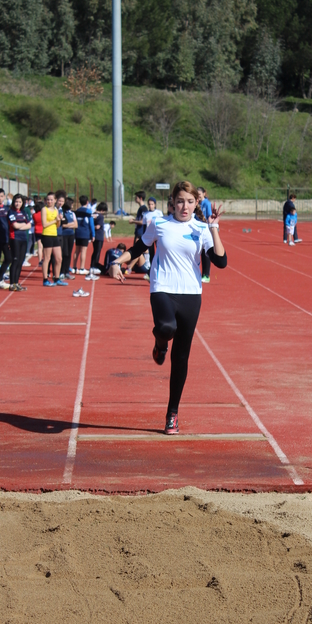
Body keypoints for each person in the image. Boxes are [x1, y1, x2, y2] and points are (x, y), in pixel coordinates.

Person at [111, 180, 227, 435]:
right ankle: (160, 343)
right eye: (180, 201)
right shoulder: (159, 224)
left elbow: (221, 261)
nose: (184, 206)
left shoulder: (201, 228)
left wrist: (214, 227)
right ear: (172, 202)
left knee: (181, 357)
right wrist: (118, 261)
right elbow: (139, 247)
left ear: (196, 203)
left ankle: (172, 412)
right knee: (165, 327)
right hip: (162, 288)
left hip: (191, 295)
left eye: (190, 201)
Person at [40, 192, 66, 286]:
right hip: (47, 235)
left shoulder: (56, 210)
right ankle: (45, 279)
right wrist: (55, 220)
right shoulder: (44, 209)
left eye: (51, 199)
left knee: (59, 258)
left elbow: (57, 226)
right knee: (47, 258)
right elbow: (44, 224)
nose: (49, 201)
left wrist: (58, 220)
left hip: (54, 235)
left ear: (55, 200)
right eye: (48, 199)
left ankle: (57, 278)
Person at [7, 194, 32, 291]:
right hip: (15, 238)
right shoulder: (11, 212)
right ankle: (12, 283)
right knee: (15, 260)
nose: (18, 204)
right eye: (16, 202)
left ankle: (17, 283)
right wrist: (22, 225)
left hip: (23, 239)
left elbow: (29, 225)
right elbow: (15, 226)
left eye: (20, 202)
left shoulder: (24, 212)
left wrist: (20, 225)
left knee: (20, 261)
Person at [74, 195, 95, 275]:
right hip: (85, 233)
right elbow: (91, 224)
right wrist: (93, 234)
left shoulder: (77, 211)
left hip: (77, 232)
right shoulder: (88, 211)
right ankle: (82, 268)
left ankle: (74, 267)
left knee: (76, 250)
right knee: (83, 251)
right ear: (87, 202)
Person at [86, 201, 107, 280]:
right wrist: (95, 227)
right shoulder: (100, 216)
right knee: (97, 251)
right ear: (102, 210)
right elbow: (98, 226)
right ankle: (94, 266)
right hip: (99, 236)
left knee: (95, 251)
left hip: (94, 236)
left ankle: (92, 265)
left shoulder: (93, 214)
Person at [59, 197, 77, 280]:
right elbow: (62, 225)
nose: (73, 205)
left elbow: (76, 225)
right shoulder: (62, 212)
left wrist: (68, 225)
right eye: (72, 204)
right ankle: (61, 272)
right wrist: (71, 224)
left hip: (71, 235)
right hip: (64, 235)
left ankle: (66, 272)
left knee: (69, 253)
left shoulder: (72, 213)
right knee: (64, 253)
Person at [197, 187, 213, 282]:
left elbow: (209, 217)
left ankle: (206, 275)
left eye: (200, 193)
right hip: (198, 230)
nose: (198, 195)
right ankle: (202, 274)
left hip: (205, 229)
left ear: (204, 193)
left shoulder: (206, 203)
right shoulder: (197, 203)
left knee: (205, 252)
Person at [32, 200, 44, 264]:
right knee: (45, 247)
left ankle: (39, 261)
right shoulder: (44, 214)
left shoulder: (34, 215)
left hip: (37, 231)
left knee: (39, 246)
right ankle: (45, 259)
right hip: (44, 230)